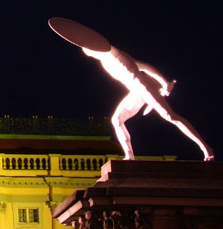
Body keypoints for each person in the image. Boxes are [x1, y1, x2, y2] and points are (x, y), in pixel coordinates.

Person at [81, 45, 214, 161]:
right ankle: (129, 156)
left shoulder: (115, 54)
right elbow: (143, 66)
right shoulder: (105, 61)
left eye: (90, 49)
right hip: (136, 90)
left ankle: (205, 148)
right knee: (117, 120)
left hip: (143, 85)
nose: (90, 53)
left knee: (171, 116)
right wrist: (163, 82)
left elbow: (145, 67)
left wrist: (164, 82)